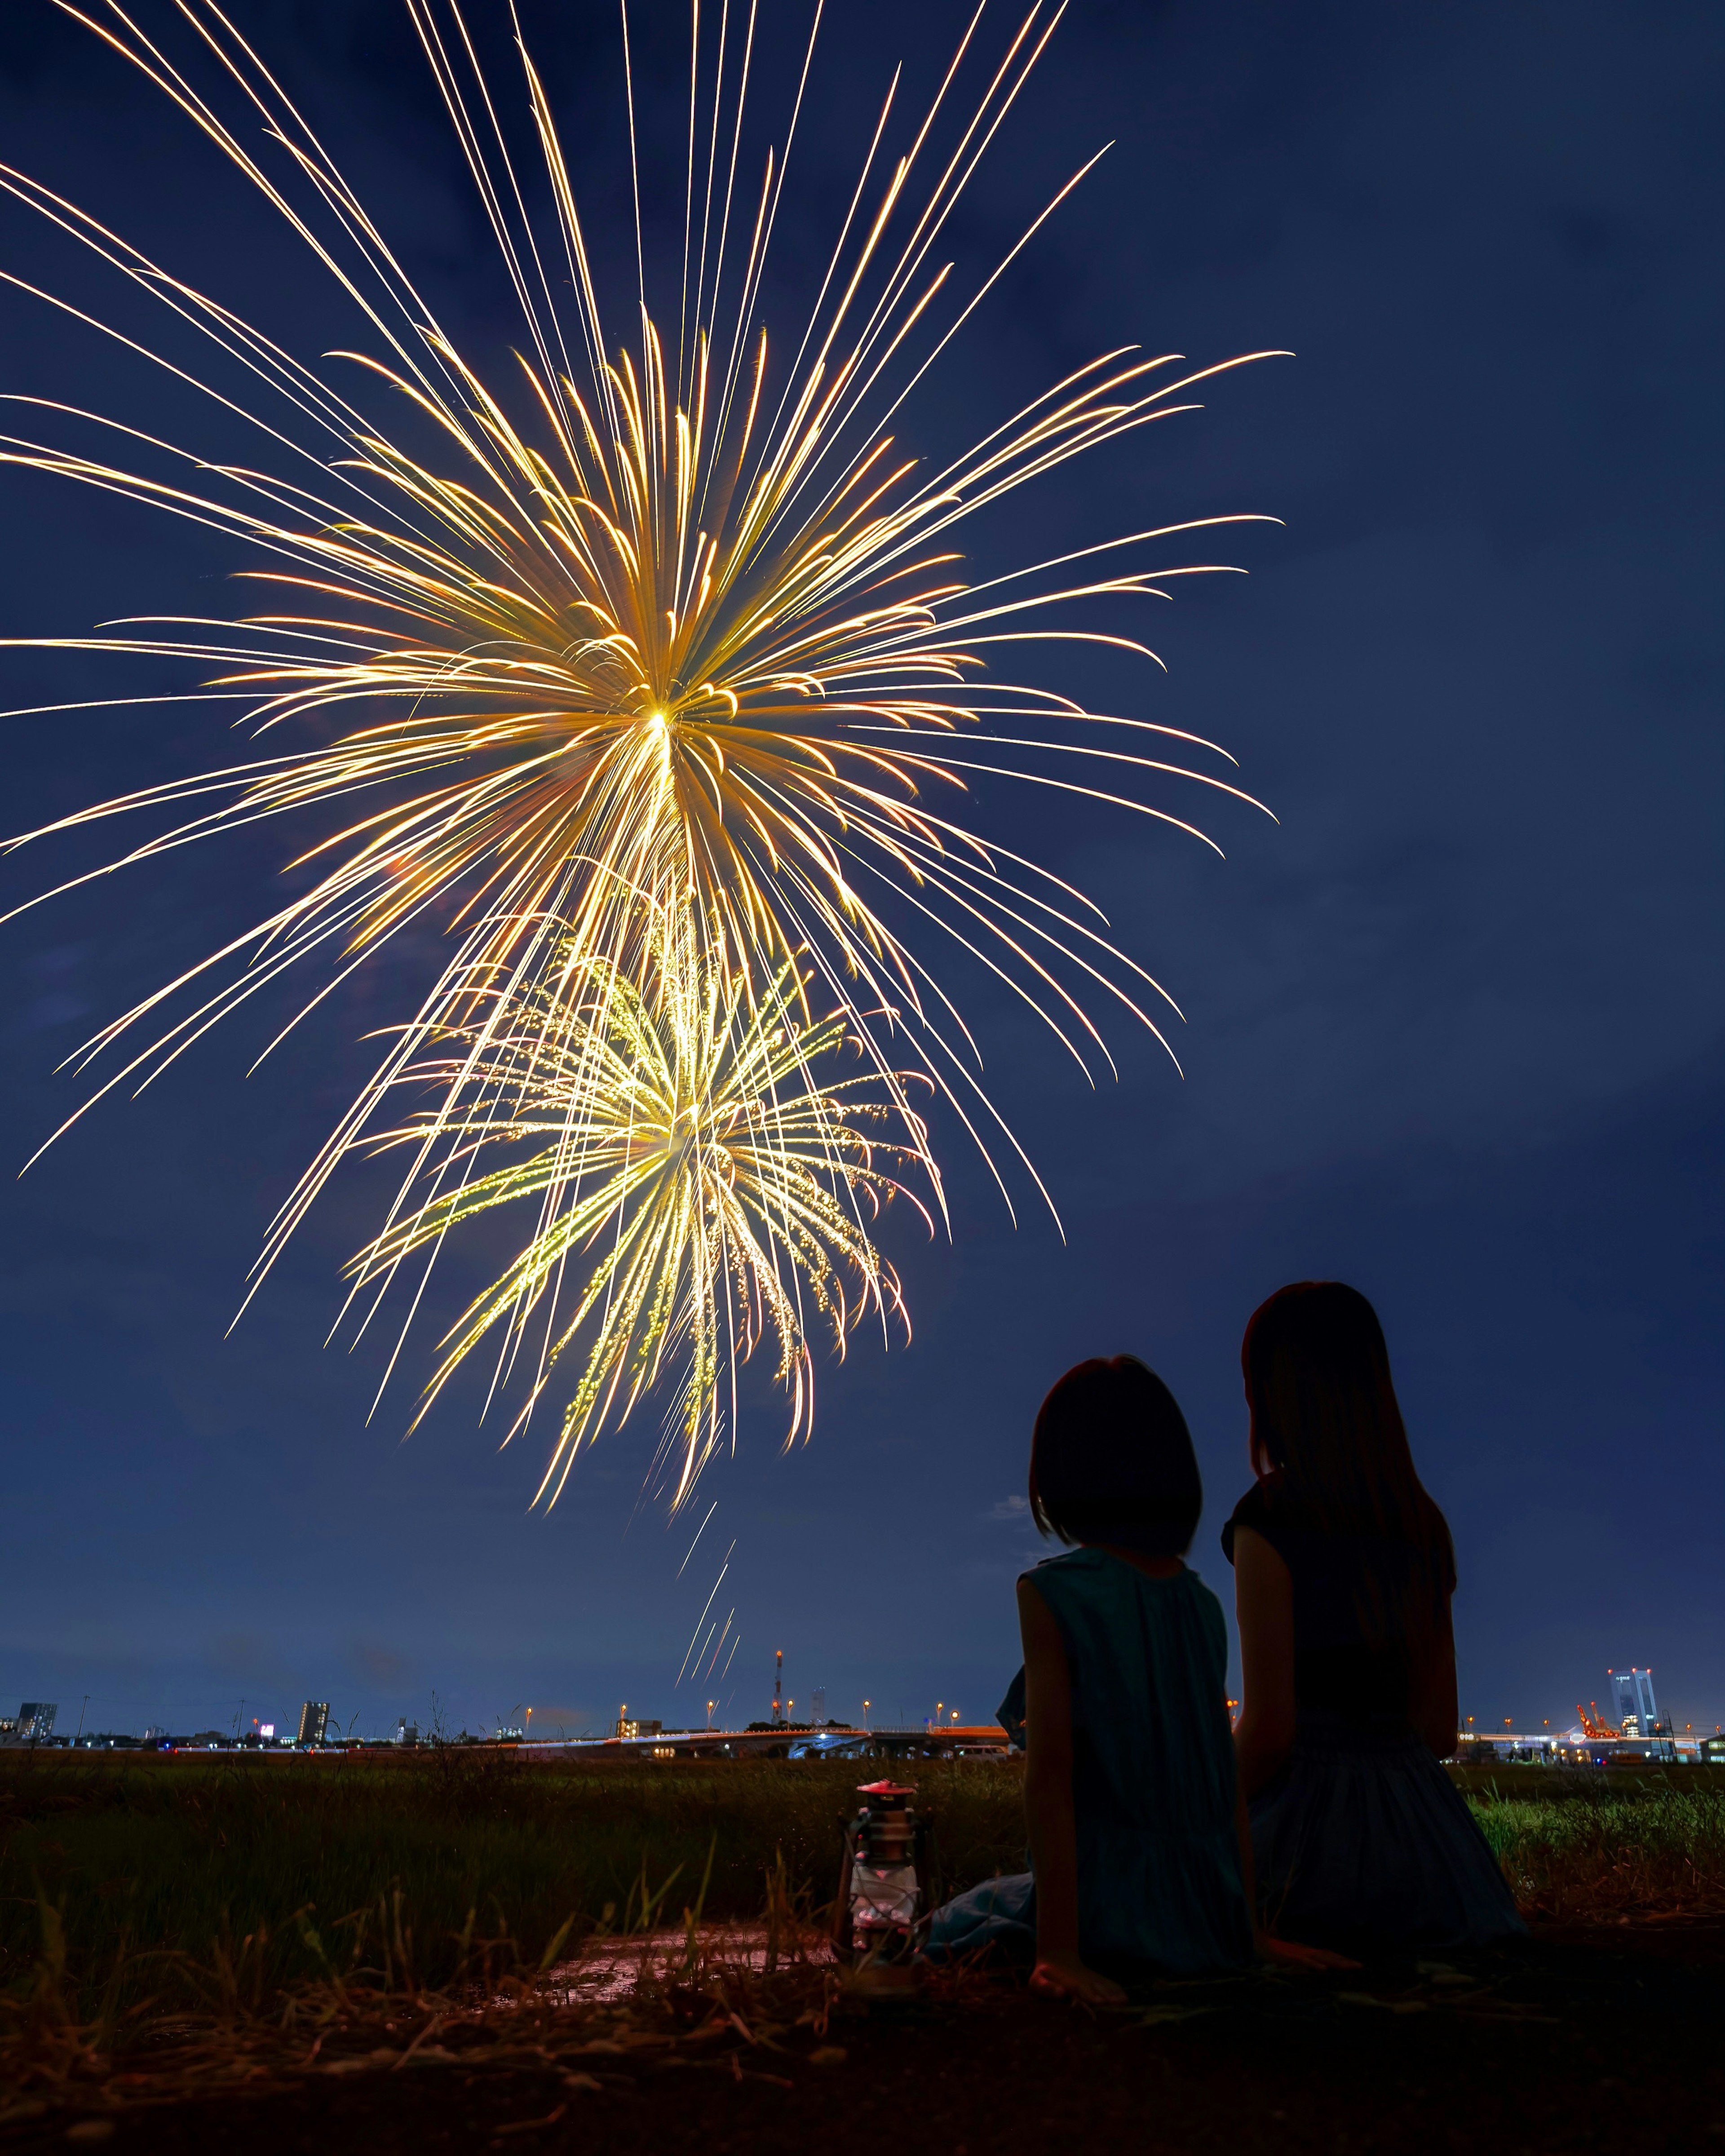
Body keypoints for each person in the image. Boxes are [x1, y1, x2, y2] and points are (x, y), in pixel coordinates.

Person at [925, 1356, 1345, 2001]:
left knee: (953, 1922)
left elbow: (1052, 1777)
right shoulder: (1200, 1603)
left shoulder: (1054, 1593)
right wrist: (1248, 1934)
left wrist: (1058, 1951)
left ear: (1060, 1476)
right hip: (1203, 1908)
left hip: (1110, 1908)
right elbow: (1220, 1783)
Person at [1225, 1281, 1525, 1956]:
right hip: (1431, 1857)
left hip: (1307, 1844)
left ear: (1273, 1391)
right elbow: (1440, 1730)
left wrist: (1191, 1813)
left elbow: (1270, 1732)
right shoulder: (1421, 1525)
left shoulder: (1270, 1519)